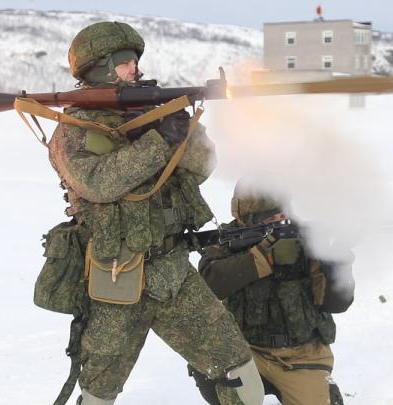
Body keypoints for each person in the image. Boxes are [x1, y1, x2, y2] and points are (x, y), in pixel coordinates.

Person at [37, 21, 264, 405]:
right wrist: (156, 140)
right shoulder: (72, 130)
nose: (135, 69)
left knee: (240, 374)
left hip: (172, 274)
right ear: (100, 68)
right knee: (98, 394)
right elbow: (99, 182)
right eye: (125, 62)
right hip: (114, 282)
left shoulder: (149, 114)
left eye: (135, 61)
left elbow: (202, 167)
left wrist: (181, 129)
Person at [189, 180, 356, 405]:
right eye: (269, 218)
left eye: (281, 215)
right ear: (245, 218)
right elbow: (210, 284)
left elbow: (337, 304)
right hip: (246, 352)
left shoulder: (306, 240)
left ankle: (323, 385)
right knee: (209, 363)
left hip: (299, 357)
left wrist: (337, 263)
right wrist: (262, 259)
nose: (278, 222)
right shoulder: (228, 240)